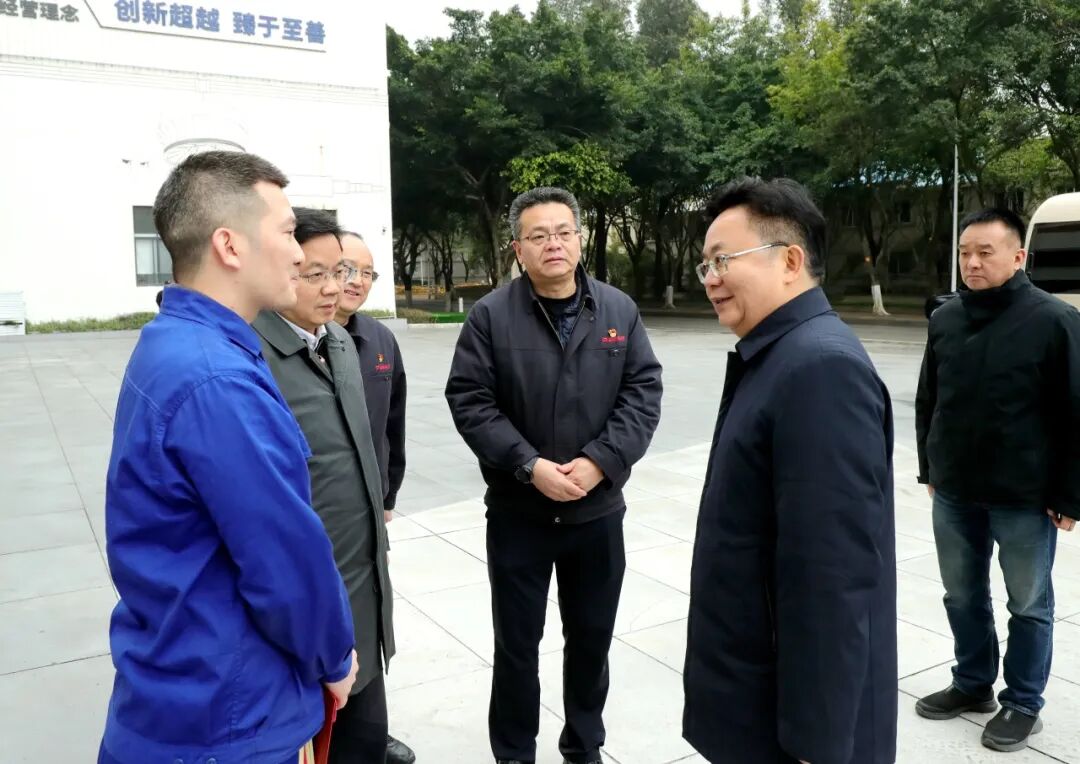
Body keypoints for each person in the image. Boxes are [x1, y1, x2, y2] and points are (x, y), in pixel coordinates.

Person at [100, 151, 357, 764]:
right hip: (228, 716)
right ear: (230, 245)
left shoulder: (176, 341)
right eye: (288, 233)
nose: (299, 255)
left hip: (181, 687)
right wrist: (333, 656)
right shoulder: (217, 379)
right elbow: (283, 556)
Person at [682, 177, 897, 764]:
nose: (711, 279)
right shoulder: (778, 355)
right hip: (757, 699)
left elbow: (831, 576)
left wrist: (814, 744)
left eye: (723, 260)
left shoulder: (820, 368)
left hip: (791, 732)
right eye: (705, 266)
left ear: (790, 262)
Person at [445, 186, 663, 764]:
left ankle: (584, 746)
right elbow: (470, 400)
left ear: (580, 238)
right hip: (520, 514)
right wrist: (528, 465)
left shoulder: (618, 310)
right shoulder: (491, 316)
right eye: (538, 235)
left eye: (563, 232)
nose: (553, 244)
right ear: (518, 249)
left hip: (596, 513)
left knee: (591, 640)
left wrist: (600, 462)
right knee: (517, 645)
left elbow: (643, 392)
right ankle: (514, 753)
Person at [914, 208, 1080, 752]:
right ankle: (972, 682)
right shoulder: (946, 317)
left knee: (1028, 604)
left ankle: (1023, 702)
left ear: (1018, 256)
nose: (972, 262)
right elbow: (930, 397)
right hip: (955, 490)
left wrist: (1069, 494)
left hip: (1025, 497)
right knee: (961, 594)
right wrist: (931, 467)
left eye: (985, 252)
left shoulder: (1055, 320)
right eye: (965, 252)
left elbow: (1075, 412)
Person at [252, 209, 396, 764]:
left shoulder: (338, 341)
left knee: (365, 740)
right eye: (316, 274)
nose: (336, 288)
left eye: (341, 272)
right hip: (308, 612)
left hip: (362, 594)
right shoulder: (252, 357)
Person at [333, 232, 415, 764]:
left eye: (366, 272)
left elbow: (393, 424)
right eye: (345, 269)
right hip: (327, 514)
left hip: (369, 508)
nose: (356, 281)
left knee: (370, 615)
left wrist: (389, 493)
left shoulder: (379, 340)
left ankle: (369, 727)